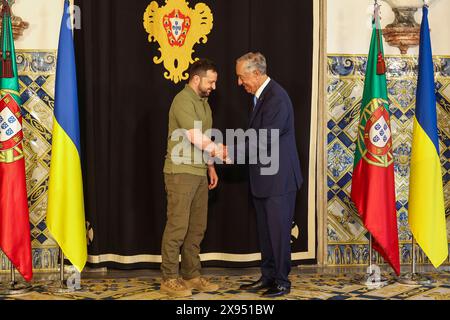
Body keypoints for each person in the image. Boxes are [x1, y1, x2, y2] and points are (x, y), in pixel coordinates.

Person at [235, 52, 302, 297]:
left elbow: (264, 141)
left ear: (256, 73)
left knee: (279, 234)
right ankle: (268, 277)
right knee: (266, 233)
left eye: (242, 77)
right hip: (265, 179)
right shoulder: (261, 96)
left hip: (279, 180)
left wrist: (229, 152)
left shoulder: (276, 99)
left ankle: (282, 282)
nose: (240, 83)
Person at [160, 59, 226, 297]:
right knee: (178, 226)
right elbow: (194, 136)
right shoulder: (182, 100)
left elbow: (205, 136)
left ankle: (191, 275)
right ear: (196, 79)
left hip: (198, 171)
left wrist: (211, 166)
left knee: (197, 228)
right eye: (211, 81)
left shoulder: (204, 103)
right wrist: (219, 151)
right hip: (180, 171)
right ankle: (169, 278)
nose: (214, 86)